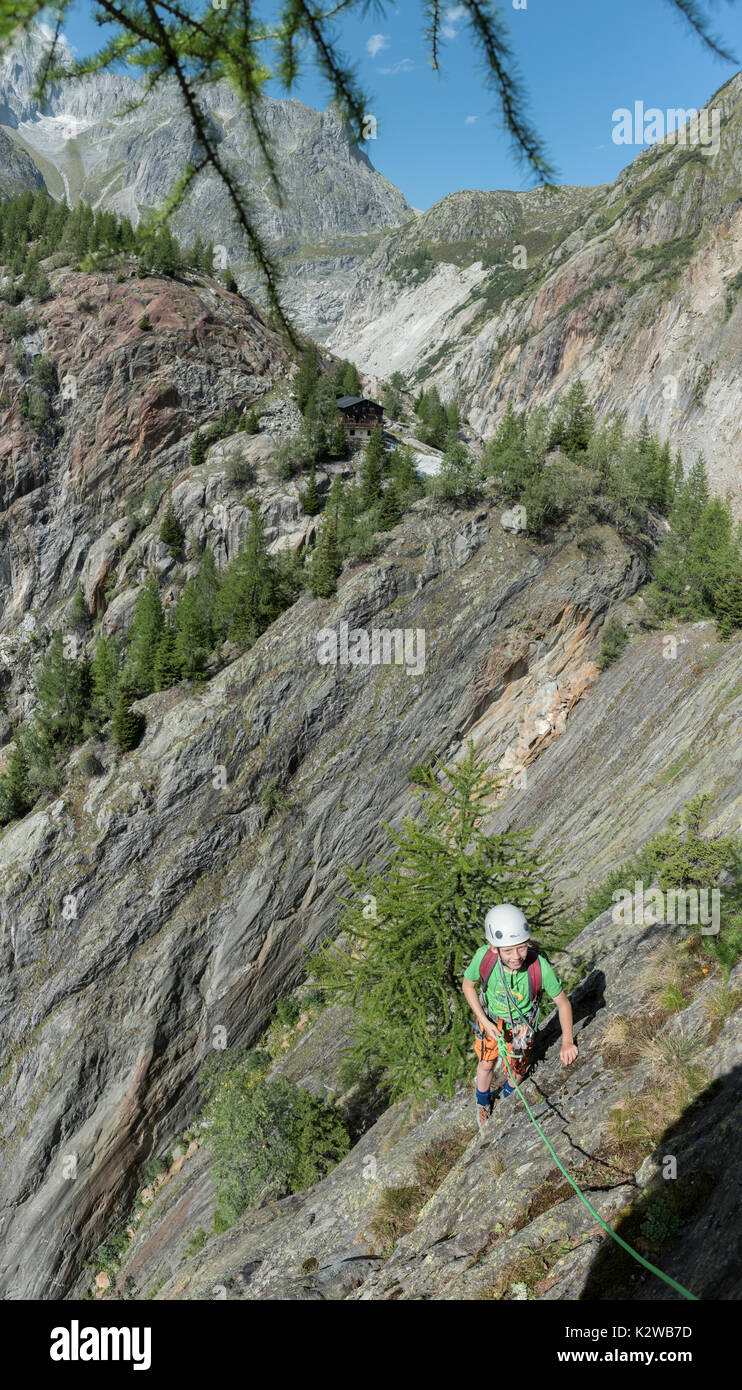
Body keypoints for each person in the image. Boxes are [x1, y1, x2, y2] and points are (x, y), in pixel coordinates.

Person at [462, 903, 578, 1130]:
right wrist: (485, 1022)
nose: (517, 956)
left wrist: (567, 1041)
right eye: (508, 951)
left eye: (522, 948)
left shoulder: (539, 967)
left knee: (517, 1069)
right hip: (492, 1020)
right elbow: (468, 986)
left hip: (521, 1025)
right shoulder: (484, 959)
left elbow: (563, 1003)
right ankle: (482, 1102)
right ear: (493, 947)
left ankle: (505, 1099)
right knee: (486, 1064)